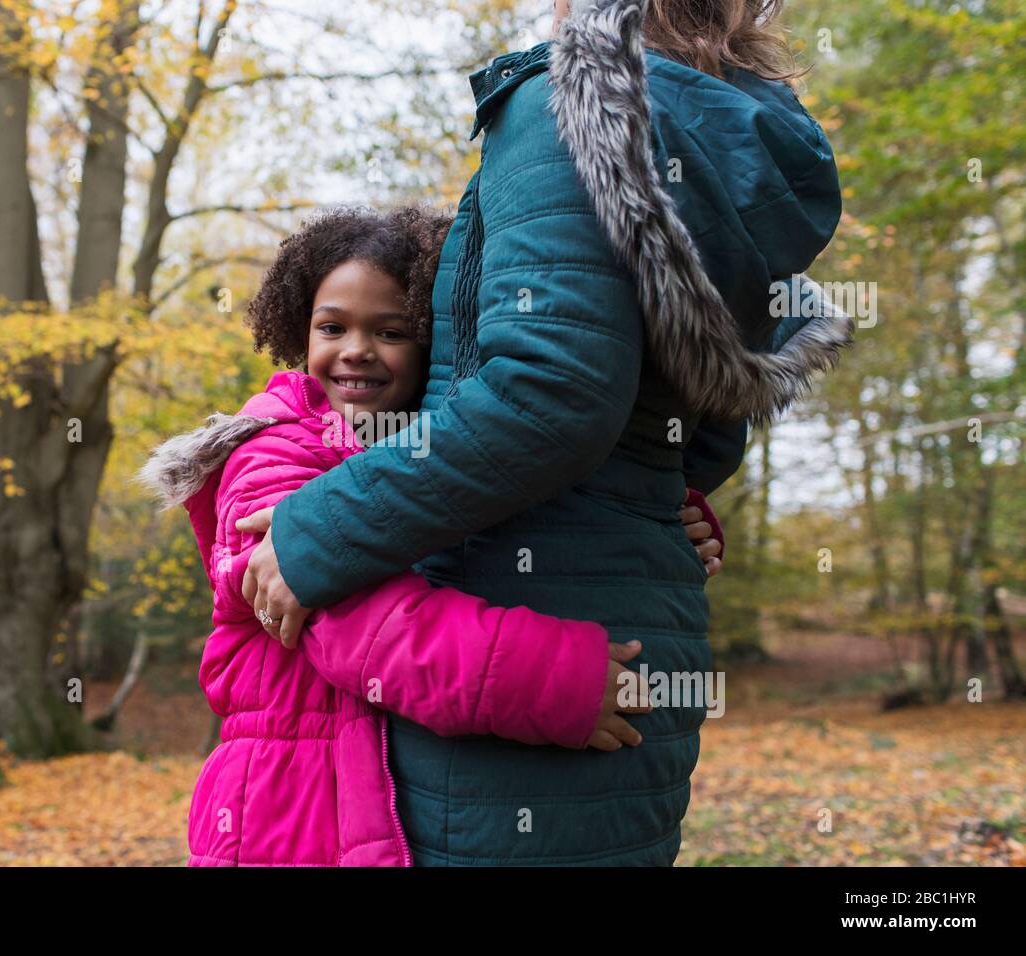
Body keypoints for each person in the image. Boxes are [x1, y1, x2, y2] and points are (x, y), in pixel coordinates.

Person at [236, 0, 852, 865]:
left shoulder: (568, 99)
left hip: (527, 658)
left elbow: (550, 391)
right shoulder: (731, 135)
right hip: (639, 638)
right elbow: (701, 427)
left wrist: (320, 529)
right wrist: (648, 500)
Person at [139, 206, 726, 865]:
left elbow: (519, 494)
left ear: (432, 345)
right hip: (286, 811)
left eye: (390, 331)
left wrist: (663, 515)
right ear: (297, 328)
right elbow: (357, 625)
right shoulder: (271, 458)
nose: (355, 348)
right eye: (332, 326)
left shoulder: (420, 448)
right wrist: (551, 678)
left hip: (372, 800)